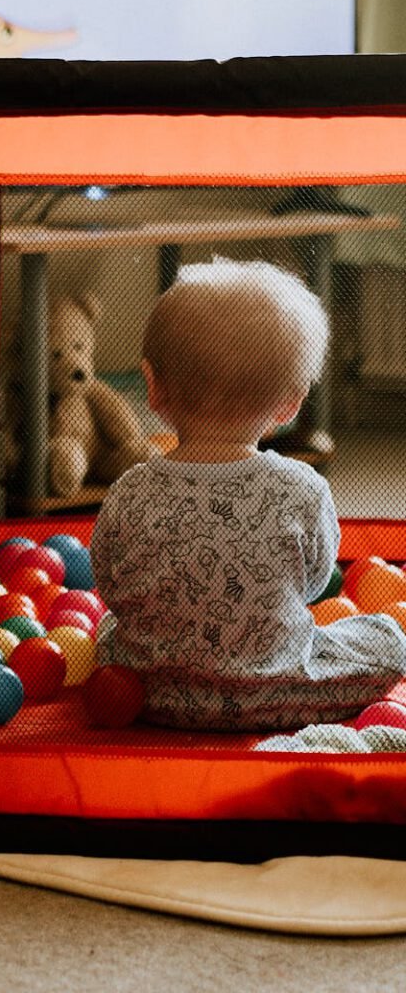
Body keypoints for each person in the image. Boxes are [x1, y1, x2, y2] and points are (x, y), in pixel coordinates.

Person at [90, 258, 406, 731]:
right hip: (278, 695)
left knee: (108, 631)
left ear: (151, 388)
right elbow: (315, 583)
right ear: (291, 404)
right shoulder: (302, 488)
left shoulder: (129, 490)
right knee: (386, 640)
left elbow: (111, 586)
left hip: (154, 697)